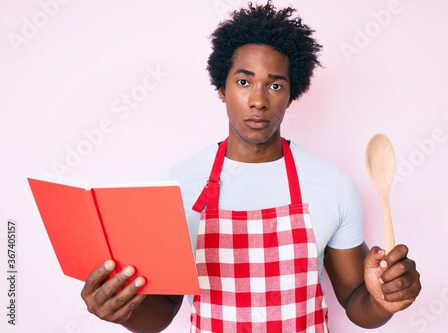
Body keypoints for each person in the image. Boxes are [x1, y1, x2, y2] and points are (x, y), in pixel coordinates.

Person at [81, 2, 421, 332]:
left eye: (275, 85)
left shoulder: (332, 184)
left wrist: (382, 299)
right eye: (244, 82)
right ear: (221, 88)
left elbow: (355, 300)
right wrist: (122, 309)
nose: (259, 100)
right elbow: (163, 310)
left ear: (291, 95)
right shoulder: (177, 185)